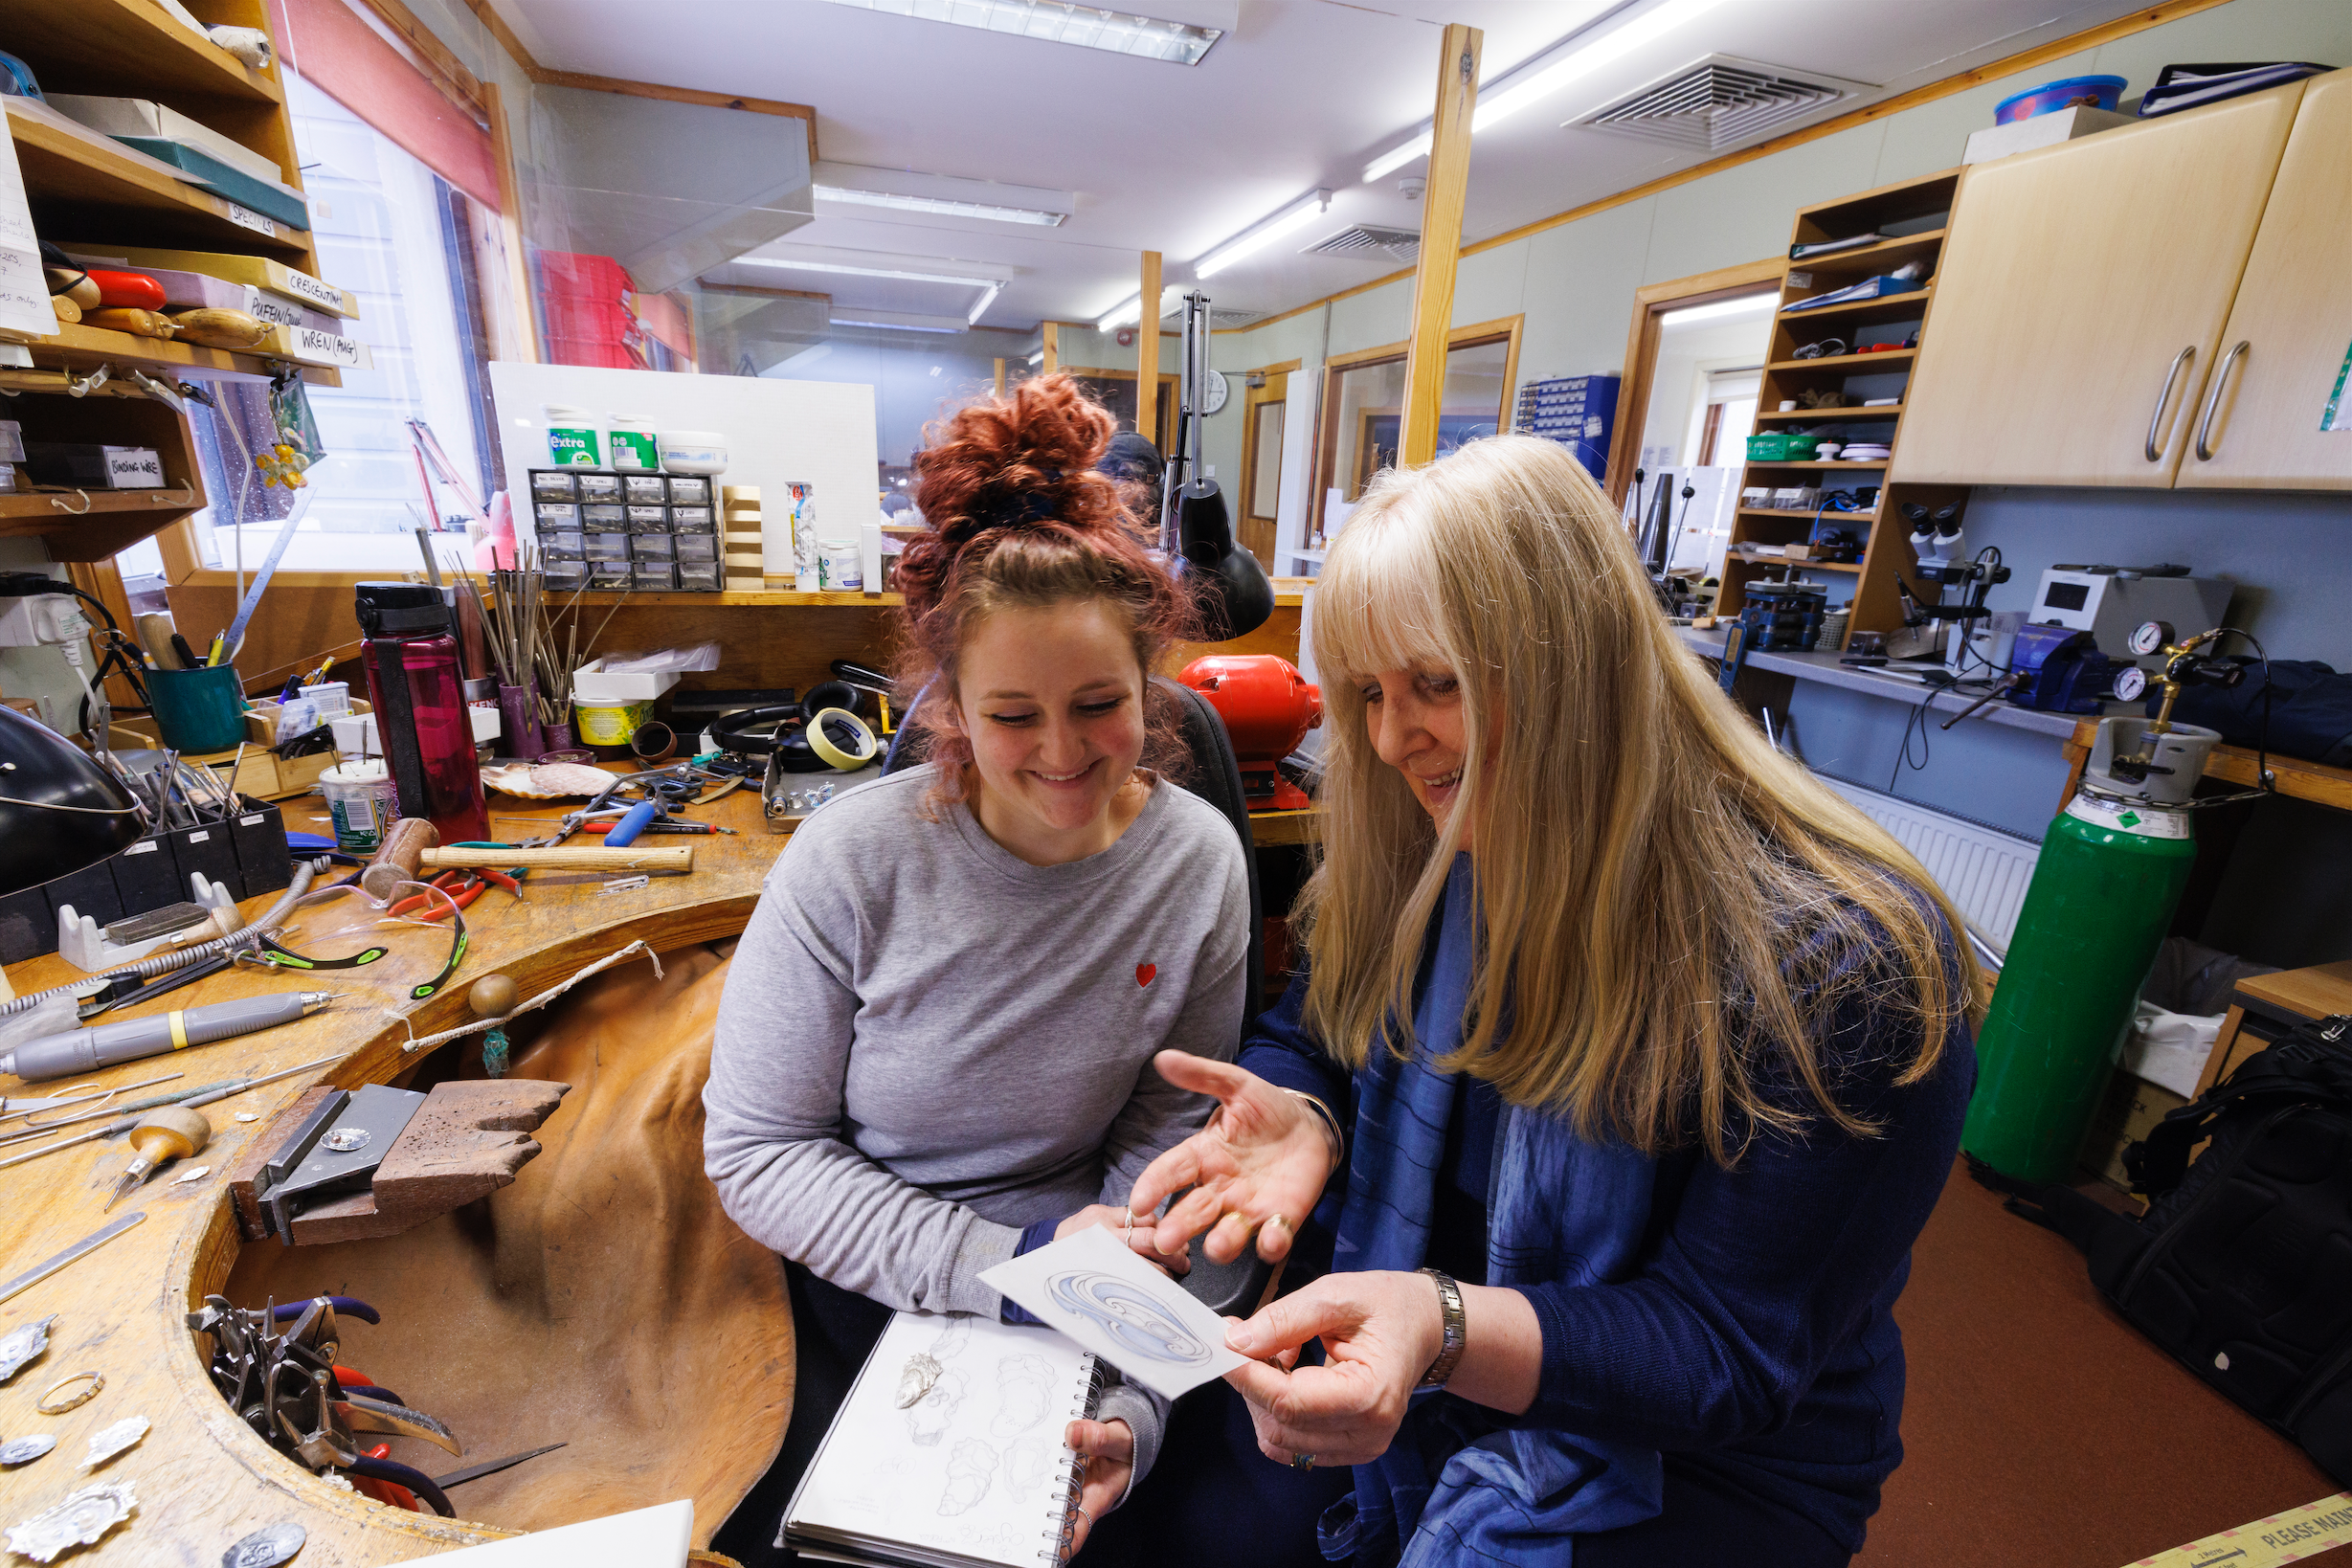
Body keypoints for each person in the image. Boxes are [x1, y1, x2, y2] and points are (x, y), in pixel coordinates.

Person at [1130, 435, 1984, 1566]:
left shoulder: (1844, 967)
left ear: (1577, 666)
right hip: (1435, 1339)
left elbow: (1724, 1351)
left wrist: (1441, 1327)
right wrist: (1307, 1109)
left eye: (1437, 683)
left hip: (1699, 1455)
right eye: (1371, 695)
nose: (1390, 738)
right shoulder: (1436, 845)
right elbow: (1317, 1032)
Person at [703, 374, 1246, 1563]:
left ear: (1154, 678)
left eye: (1100, 704)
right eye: (1011, 718)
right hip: (874, 1272)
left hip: (1089, 1286)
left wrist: (1128, 1399)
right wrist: (1009, 1274)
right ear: (947, 702)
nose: (1061, 757)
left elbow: (1169, 1142)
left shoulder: (1196, 860)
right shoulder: (853, 860)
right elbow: (758, 1151)